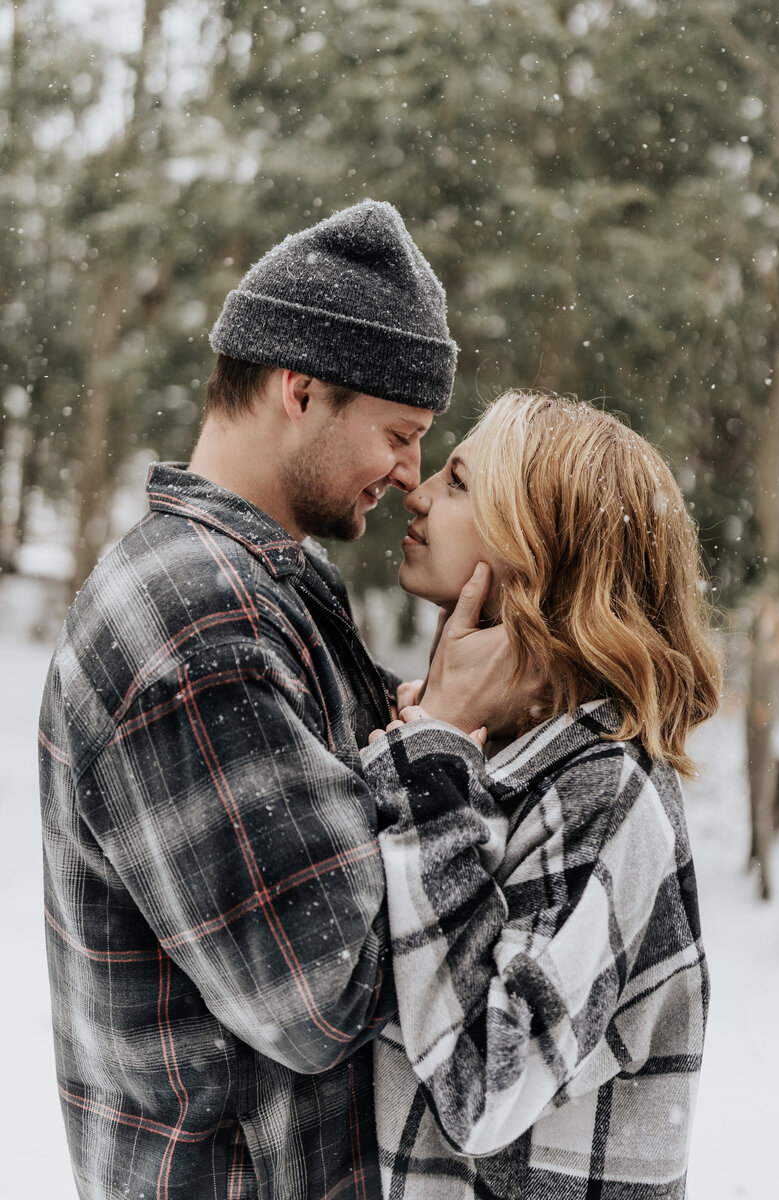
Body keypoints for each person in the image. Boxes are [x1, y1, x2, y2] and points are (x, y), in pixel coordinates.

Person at [38, 201, 527, 1200]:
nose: (407, 476)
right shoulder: (202, 627)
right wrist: (431, 747)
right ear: (298, 393)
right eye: (398, 434)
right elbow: (322, 994)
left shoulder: (253, 592)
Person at [361, 390, 722, 1200]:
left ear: (541, 553)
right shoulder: (494, 756)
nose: (415, 494)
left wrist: (434, 764)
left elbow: (481, 1084)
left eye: (457, 483)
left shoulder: (606, 796)